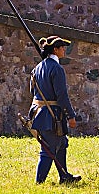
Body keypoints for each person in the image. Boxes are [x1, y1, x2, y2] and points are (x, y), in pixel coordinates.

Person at [29, 35, 81, 184]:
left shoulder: (37, 68)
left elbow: (32, 91)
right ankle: (39, 182)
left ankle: (64, 176)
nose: (64, 50)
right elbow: (62, 96)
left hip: (39, 113)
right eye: (61, 47)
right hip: (51, 116)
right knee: (48, 149)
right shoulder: (57, 69)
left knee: (62, 143)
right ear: (55, 49)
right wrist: (70, 116)